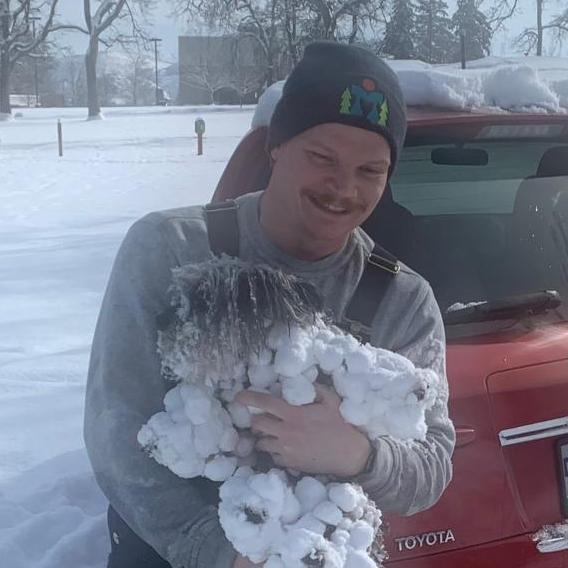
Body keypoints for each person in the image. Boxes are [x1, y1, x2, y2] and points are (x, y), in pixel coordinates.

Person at [84, 41, 455, 568]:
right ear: (277, 145)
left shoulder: (402, 299)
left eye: (370, 170)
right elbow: (115, 429)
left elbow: (432, 466)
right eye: (322, 158)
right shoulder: (170, 249)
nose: (344, 188)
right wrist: (221, 553)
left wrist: (359, 454)